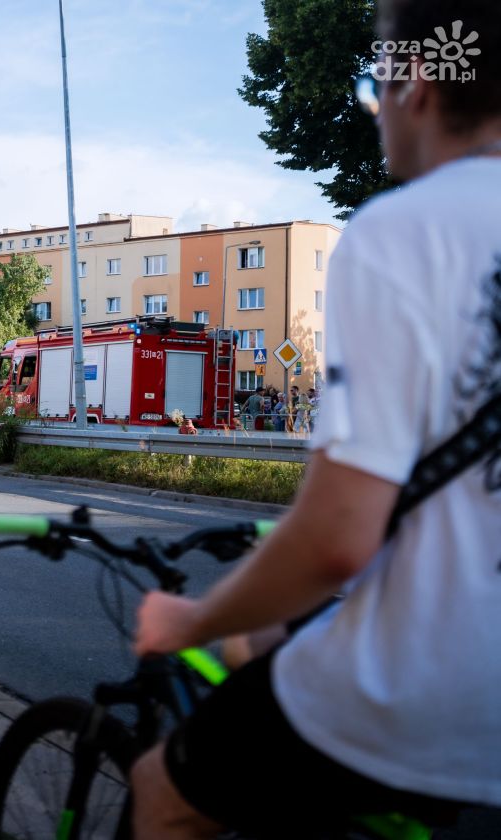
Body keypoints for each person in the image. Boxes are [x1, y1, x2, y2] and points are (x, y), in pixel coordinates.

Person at [131, 1, 501, 836]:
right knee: (256, 648)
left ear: (416, 88)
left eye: (373, 86)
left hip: (430, 700)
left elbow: (338, 539)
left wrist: (189, 616)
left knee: (165, 786)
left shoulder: (405, 232)